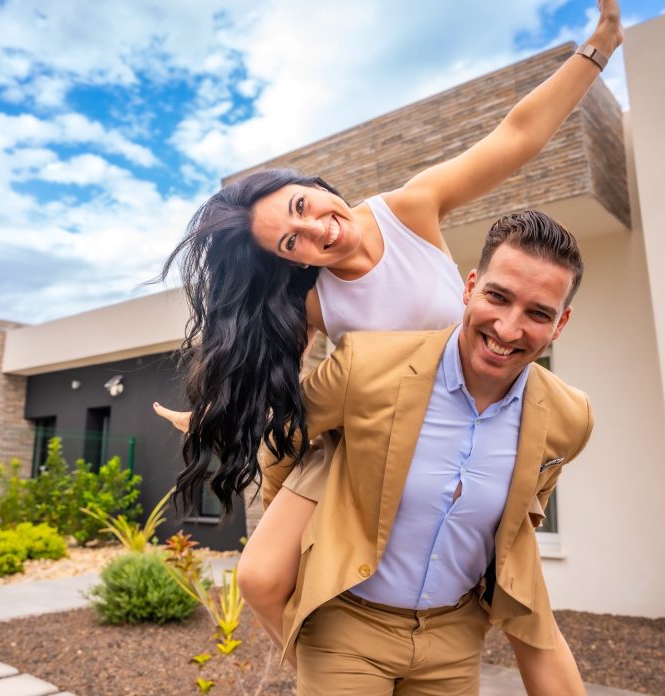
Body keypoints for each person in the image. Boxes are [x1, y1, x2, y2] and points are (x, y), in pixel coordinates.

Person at [154, 0, 622, 688]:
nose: (317, 232)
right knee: (258, 573)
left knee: (529, 609)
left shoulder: (409, 208)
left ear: (308, 185)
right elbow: (283, 392)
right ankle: (328, 658)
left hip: (470, 413)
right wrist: (219, 415)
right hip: (371, 432)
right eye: (293, 242)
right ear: (286, 259)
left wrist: (600, 46)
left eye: (302, 208)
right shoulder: (314, 299)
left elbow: (516, 135)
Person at [260, 210, 593, 695]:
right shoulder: (365, 366)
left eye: (538, 313)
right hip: (346, 627)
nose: (508, 327)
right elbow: (282, 440)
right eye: (497, 297)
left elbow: (526, 507)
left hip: (454, 641)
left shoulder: (570, 418)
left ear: (559, 323)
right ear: (471, 286)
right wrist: (289, 530)